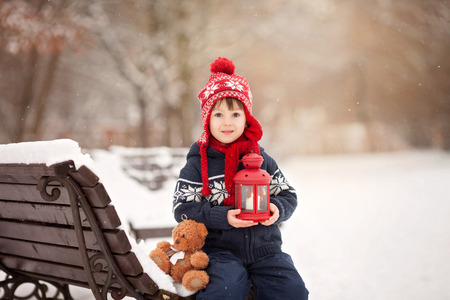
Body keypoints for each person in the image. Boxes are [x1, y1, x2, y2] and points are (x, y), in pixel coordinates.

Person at [172, 57, 308, 299]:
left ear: (247, 119)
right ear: (207, 119)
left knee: (292, 290)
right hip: (219, 251)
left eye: (235, 114)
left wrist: (277, 209)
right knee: (227, 289)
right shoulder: (197, 163)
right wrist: (222, 217)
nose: (227, 122)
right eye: (218, 115)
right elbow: (182, 208)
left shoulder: (260, 158)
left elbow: (288, 194)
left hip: (266, 250)